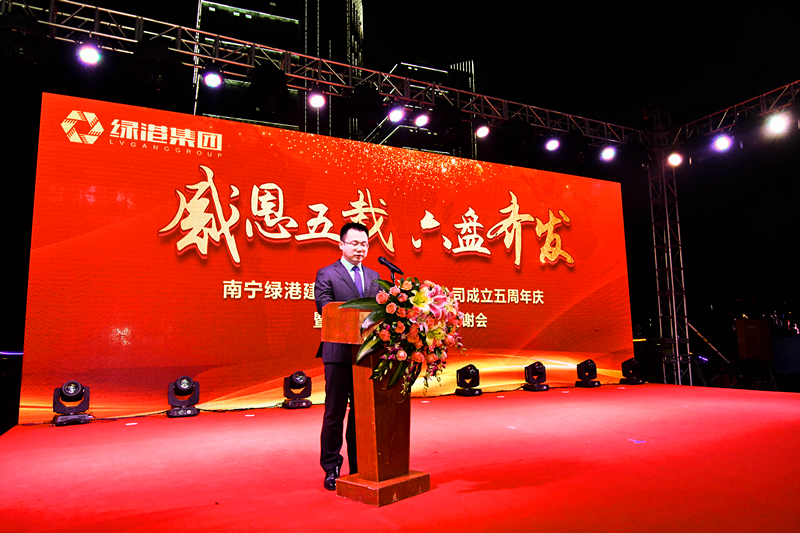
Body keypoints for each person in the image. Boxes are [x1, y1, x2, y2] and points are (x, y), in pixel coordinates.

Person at [314, 222, 380, 491]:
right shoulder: (327, 274)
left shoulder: (375, 276)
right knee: (335, 412)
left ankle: (359, 464)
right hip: (338, 353)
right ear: (341, 245)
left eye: (364, 244)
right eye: (354, 243)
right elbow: (324, 307)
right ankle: (331, 466)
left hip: (366, 355)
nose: (359, 248)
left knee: (361, 414)